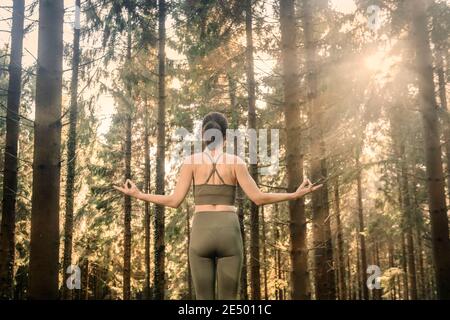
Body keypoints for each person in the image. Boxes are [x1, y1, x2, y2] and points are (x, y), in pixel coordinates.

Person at [114, 111, 322, 300]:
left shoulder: (191, 162)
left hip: (201, 232)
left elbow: (174, 201)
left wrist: (139, 194)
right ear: (226, 135)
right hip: (228, 232)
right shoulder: (236, 162)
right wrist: (294, 195)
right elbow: (258, 198)